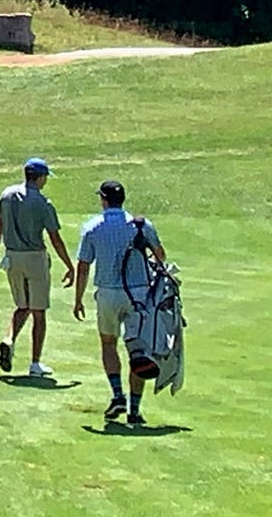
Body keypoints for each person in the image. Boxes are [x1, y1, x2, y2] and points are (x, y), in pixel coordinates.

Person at [70, 178, 166, 426]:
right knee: (138, 351)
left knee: (108, 343)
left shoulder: (92, 227)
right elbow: (160, 255)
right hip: (139, 295)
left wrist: (78, 299)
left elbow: (83, 267)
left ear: (103, 199)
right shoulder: (142, 225)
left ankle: (117, 395)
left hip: (108, 294)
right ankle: (134, 409)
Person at [0, 157, 74, 377]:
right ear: (40, 177)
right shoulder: (43, 203)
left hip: (12, 258)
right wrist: (69, 265)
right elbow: (55, 238)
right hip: (35, 259)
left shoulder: (6, 195)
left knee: (22, 306)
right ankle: (35, 363)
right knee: (39, 312)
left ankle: (9, 339)